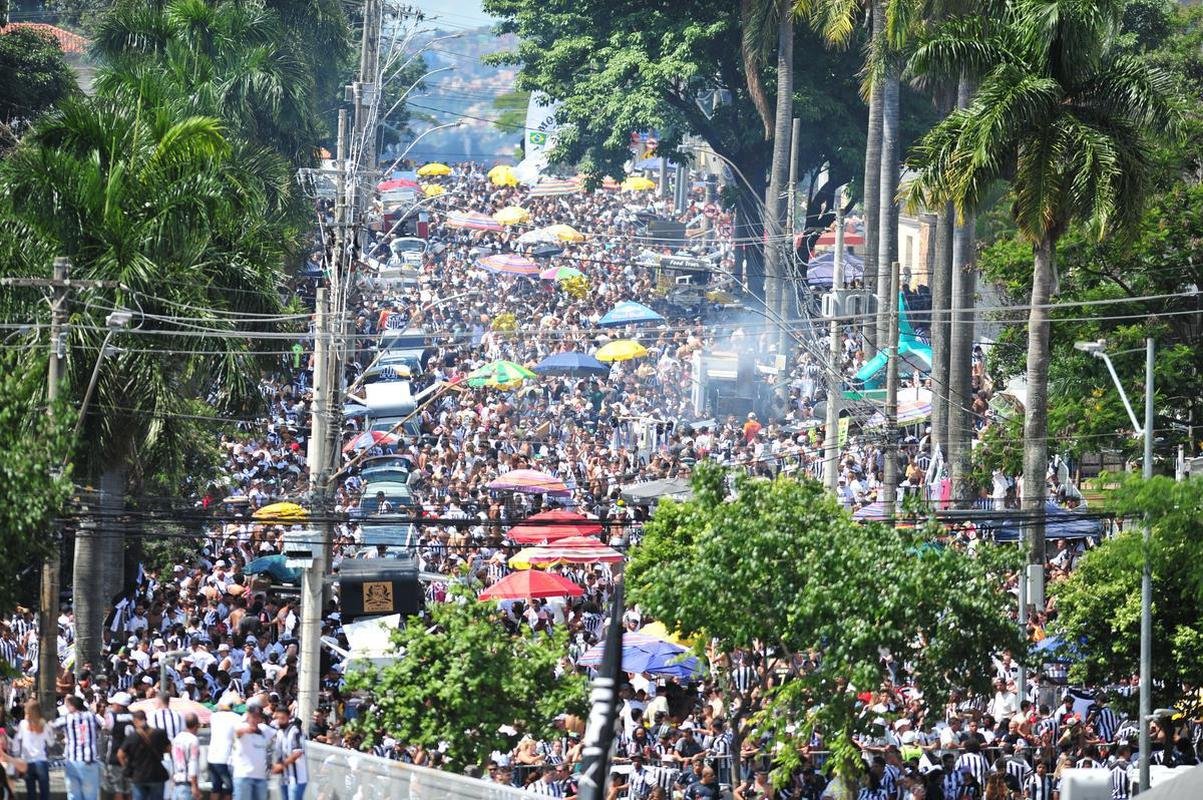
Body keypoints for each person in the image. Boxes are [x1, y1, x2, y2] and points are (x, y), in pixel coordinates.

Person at [53, 694, 105, 800]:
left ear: (72, 706)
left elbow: (52, 727)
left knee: (74, 795)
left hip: (73, 762)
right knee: (90, 796)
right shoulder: (92, 716)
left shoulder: (67, 718)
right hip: (90, 761)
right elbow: (101, 728)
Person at [117, 710, 171, 800]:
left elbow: (120, 754)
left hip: (139, 775)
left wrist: (127, 766)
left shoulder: (132, 736)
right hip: (157, 774)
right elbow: (169, 749)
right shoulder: (160, 733)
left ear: (135, 720)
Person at [15, 699, 54, 800]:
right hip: (41, 761)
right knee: (44, 794)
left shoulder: (23, 724)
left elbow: (17, 742)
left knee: (31, 794)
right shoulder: (44, 725)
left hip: (28, 762)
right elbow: (51, 743)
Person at [231, 704, 271, 800]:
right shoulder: (241, 726)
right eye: (253, 716)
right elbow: (237, 732)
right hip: (243, 777)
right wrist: (247, 730)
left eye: (258, 716)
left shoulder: (264, 729)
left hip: (261, 778)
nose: (255, 719)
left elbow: (277, 735)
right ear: (248, 716)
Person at [207, 694, 241, 800]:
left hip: (212, 757)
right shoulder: (237, 718)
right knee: (229, 788)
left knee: (216, 787)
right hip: (226, 758)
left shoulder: (214, 717)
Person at [104, 693, 136, 800]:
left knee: (118, 789)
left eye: (114, 704)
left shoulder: (112, 716)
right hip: (131, 757)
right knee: (130, 789)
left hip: (115, 756)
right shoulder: (134, 716)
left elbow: (106, 730)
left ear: (119, 705)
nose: (112, 706)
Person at [271, 707, 308, 800]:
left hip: (297, 779)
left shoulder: (295, 731)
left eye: (282, 718)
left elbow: (297, 753)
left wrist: (281, 766)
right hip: (284, 778)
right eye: (278, 718)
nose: (280, 721)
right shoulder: (279, 732)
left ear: (288, 717)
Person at [169, 714, 201, 800]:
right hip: (187, 782)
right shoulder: (193, 740)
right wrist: (195, 786)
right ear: (196, 725)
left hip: (176, 781)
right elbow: (192, 763)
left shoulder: (176, 738)